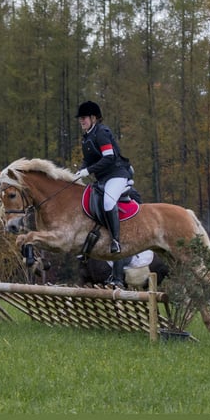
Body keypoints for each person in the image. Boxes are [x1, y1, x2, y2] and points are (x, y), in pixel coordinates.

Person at [72, 100, 133, 288]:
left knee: (107, 203)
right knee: (88, 200)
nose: (81, 121)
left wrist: (88, 171)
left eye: (84, 118)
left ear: (93, 118)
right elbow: (87, 160)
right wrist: (79, 172)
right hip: (103, 179)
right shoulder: (87, 137)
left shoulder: (102, 133)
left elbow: (109, 158)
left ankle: (115, 241)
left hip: (117, 174)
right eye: (80, 118)